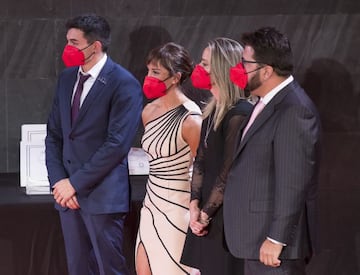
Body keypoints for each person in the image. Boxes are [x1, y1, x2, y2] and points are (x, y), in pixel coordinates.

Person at [45, 14, 142, 275]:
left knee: (109, 267)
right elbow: (54, 134)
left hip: (103, 197)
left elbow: (117, 145)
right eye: (67, 41)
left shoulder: (124, 84)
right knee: (78, 267)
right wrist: (59, 183)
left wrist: (74, 183)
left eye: (74, 42)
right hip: (67, 196)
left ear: (95, 46)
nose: (68, 48)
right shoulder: (66, 79)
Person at [224, 27, 321, 275]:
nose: (239, 70)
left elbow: (293, 182)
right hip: (254, 237)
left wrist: (276, 239)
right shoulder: (266, 103)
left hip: (272, 246)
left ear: (266, 70)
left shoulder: (294, 109)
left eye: (245, 63)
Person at [180, 37, 253, 275]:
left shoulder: (240, 113)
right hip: (204, 214)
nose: (199, 69)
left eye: (205, 64)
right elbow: (200, 160)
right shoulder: (212, 110)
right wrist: (193, 205)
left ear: (222, 68)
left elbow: (228, 170)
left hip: (225, 217)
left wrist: (205, 214)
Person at [135, 42, 202, 275]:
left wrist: (197, 210)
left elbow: (201, 168)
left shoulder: (191, 118)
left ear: (176, 77)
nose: (149, 77)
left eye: (156, 72)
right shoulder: (148, 111)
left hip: (178, 209)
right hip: (150, 204)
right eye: (148, 70)